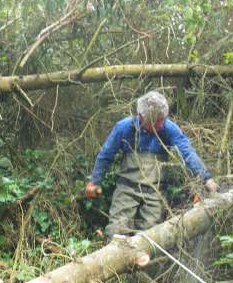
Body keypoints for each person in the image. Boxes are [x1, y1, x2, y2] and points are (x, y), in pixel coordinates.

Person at [84, 91, 219, 238]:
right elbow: (105, 155)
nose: (160, 125)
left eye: (163, 119)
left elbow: (188, 153)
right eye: (156, 121)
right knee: (117, 229)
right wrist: (95, 182)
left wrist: (206, 178)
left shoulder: (169, 128)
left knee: (151, 234)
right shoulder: (124, 128)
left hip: (156, 190)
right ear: (141, 117)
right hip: (127, 187)